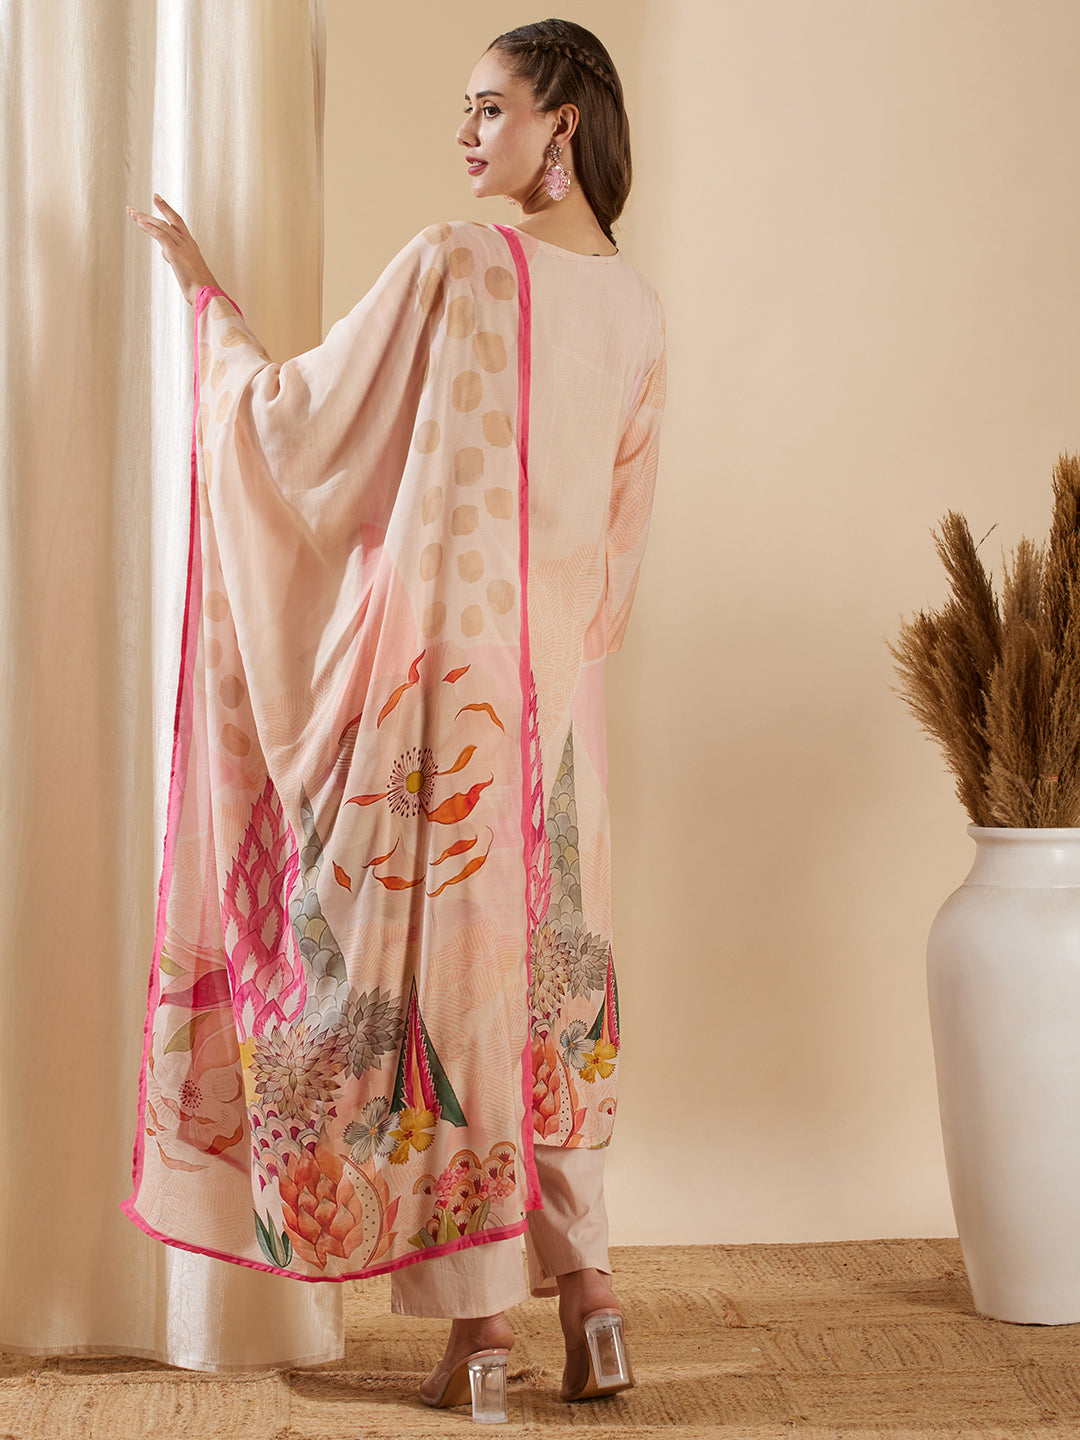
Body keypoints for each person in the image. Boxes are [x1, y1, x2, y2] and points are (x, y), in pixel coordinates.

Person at [127, 17, 664, 1420]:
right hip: (562, 720)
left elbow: (296, 429)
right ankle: (596, 1306)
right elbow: (615, 568)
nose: (465, 133)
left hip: (446, 709)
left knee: (452, 1005)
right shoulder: (640, 312)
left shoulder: (459, 263)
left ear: (563, 124)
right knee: (550, 999)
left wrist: (208, 307)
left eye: (490, 107)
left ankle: (479, 1339)